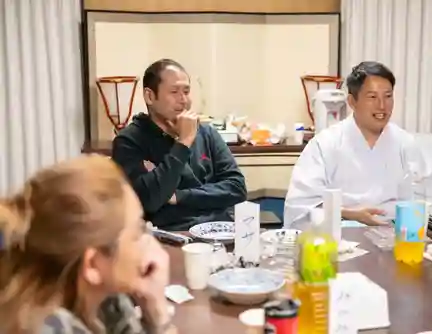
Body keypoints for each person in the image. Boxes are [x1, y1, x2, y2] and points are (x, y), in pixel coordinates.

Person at [0, 155, 176, 333]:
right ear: (92, 265)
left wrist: (152, 304)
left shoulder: (99, 299)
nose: (148, 240)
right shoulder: (47, 327)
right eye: (137, 231)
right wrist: (160, 314)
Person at [284, 61, 432, 228]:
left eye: (388, 96)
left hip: (397, 237)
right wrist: (347, 214)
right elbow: (299, 208)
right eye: (372, 97)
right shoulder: (325, 144)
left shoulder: (406, 143)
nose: (382, 106)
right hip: (340, 237)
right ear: (352, 102)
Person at [112, 59, 247, 231]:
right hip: (170, 235)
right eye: (174, 92)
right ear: (150, 96)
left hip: (219, 230)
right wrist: (183, 142)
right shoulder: (129, 141)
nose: (183, 100)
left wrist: (179, 196)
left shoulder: (207, 133)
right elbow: (149, 201)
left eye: (186, 91)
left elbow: (237, 188)